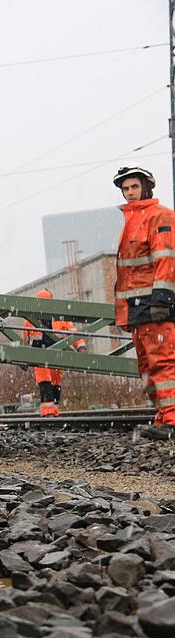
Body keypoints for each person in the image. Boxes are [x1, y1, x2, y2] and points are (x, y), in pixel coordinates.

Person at [113, 166, 175, 440]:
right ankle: (164, 417)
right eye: (126, 189)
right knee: (148, 367)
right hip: (139, 306)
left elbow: (166, 259)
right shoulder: (131, 221)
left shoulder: (160, 216)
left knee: (164, 363)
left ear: (146, 188)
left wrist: (162, 299)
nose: (130, 193)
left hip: (155, 304)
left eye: (134, 187)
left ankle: (172, 419)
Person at [21, 289, 86, 417]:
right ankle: (49, 411)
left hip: (54, 356)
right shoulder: (32, 320)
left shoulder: (55, 319)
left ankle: (52, 411)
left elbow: (73, 333)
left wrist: (81, 347)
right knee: (46, 381)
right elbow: (25, 341)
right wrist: (81, 347)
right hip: (41, 356)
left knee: (53, 383)